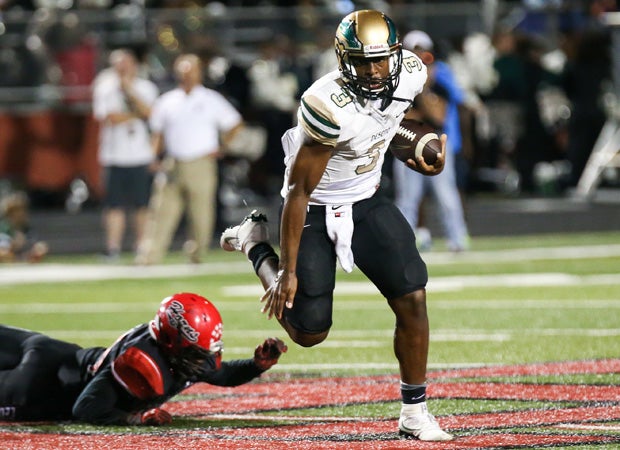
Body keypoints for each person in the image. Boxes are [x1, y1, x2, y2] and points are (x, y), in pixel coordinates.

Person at [220, 10, 452, 442]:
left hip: (366, 199)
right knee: (309, 330)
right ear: (343, 60)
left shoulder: (411, 74)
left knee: (413, 296)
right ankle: (254, 244)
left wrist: (413, 142)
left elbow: (388, 121)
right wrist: (286, 269)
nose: (374, 70)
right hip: (316, 208)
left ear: (396, 54)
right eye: (363, 62)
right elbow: (298, 192)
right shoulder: (327, 104)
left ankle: (415, 412)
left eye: (381, 59)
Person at [0, 292, 287, 424]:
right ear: (174, 343)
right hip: (38, 385)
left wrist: (256, 365)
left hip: (55, 351)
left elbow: (219, 374)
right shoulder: (142, 361)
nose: (205, 358)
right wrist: (136, 418)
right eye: (197, 350)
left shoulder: (179, 351)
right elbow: (85, 407)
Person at [136, 53, 244, 265]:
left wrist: (222, 147)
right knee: (161, 211)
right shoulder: (167, 101)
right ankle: (150, 255)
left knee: (201, 213)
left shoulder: (210, 99)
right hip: (173, 162)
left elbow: (235, 124)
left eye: (190, 71)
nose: (186, 76)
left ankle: (197, 254)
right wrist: (154, 156)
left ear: (198, 73)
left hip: (201, 162)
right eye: (182, 72)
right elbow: (158, 133)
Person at [392, 30, 470, 252]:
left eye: (425, 58)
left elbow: (438, 116)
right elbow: (395, 118)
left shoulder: (438, 84)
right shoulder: (397, 86)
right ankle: (403, 244)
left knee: (446, 196)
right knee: (407, 199)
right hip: (406, 146)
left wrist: (423, 88)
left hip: (434, 145)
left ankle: (458, 239)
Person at [92, 48, 159, 261]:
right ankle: (113, 248)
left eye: (126, 63)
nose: (122, 68)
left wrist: (129, 91)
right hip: (113, 155)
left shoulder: (145, 87)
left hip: (140, 154)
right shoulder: (105, 88)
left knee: (142, 205)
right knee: (114, 206)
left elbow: (151, 114)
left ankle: (142, 246)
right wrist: (136, 114)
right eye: (118, 64)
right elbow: (110, 117)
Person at [0, 190, 48, 263]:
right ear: (10, 212)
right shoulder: (4, 228)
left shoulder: (26, 228)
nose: (22, 213)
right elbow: (3, 251)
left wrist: (38, 249)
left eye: (23, 210)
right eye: (18, 210)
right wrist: (14, 244)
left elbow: (36, 244)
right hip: (10, 255)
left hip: (23, 254)